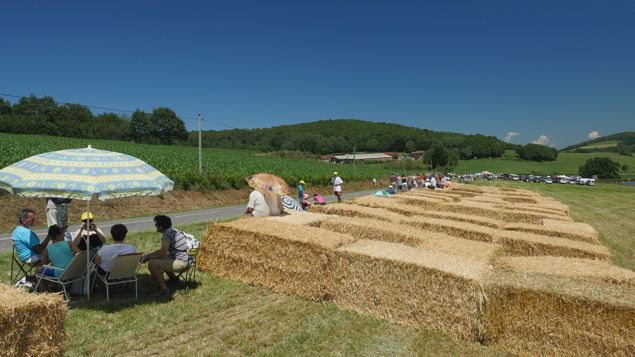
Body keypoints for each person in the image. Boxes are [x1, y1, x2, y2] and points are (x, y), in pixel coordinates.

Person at [142, 215, 190, 298]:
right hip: (189, 261)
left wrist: (148, 258)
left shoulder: (167, 235)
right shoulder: (173, 230)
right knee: (163, 258)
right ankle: (174, 280)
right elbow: (163, 251)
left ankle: (164, 290)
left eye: (156, 225)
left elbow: (162, 254)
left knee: (152, 263)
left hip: (182, 263)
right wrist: (148, 255)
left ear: (161, 226)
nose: (155, 226)